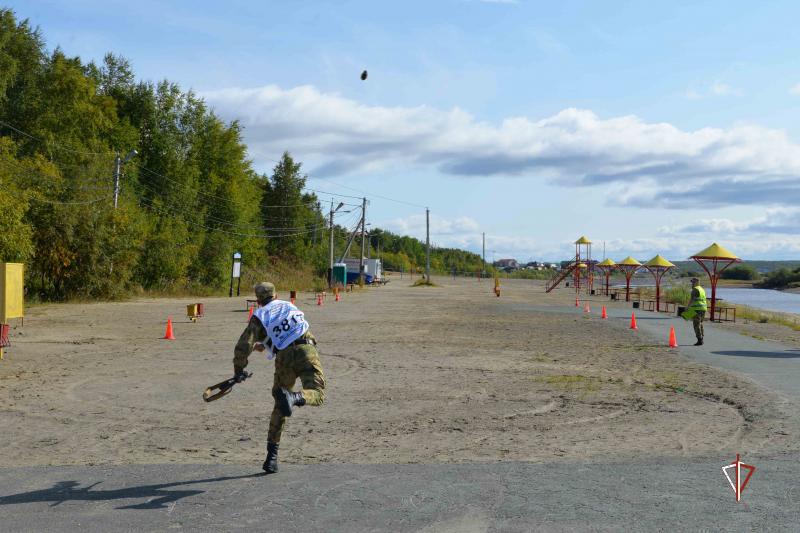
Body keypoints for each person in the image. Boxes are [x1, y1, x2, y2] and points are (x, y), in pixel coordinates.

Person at [233, 282, 326, 474]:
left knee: (279, 406)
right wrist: (266, 345)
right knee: (317, 392)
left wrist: (238, 370)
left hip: (284, 357)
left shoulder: (259, 316)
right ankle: (296, 398)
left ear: (258, 301)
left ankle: (271, 458)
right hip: (306, 350)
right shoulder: (288, 305)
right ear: (275, 296)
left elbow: (243, 346)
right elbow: (289, 330)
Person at [687, 277, 707, 346]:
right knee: (700, 323)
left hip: (696, 309)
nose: (691, 283)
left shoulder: (695, 289)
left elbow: (692, 299)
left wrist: (687, 307)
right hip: (703, 308)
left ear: (696, 282)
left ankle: (699, 340)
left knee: (696, 324)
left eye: (692, 282)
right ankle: (702, 338)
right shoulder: (702, 289)